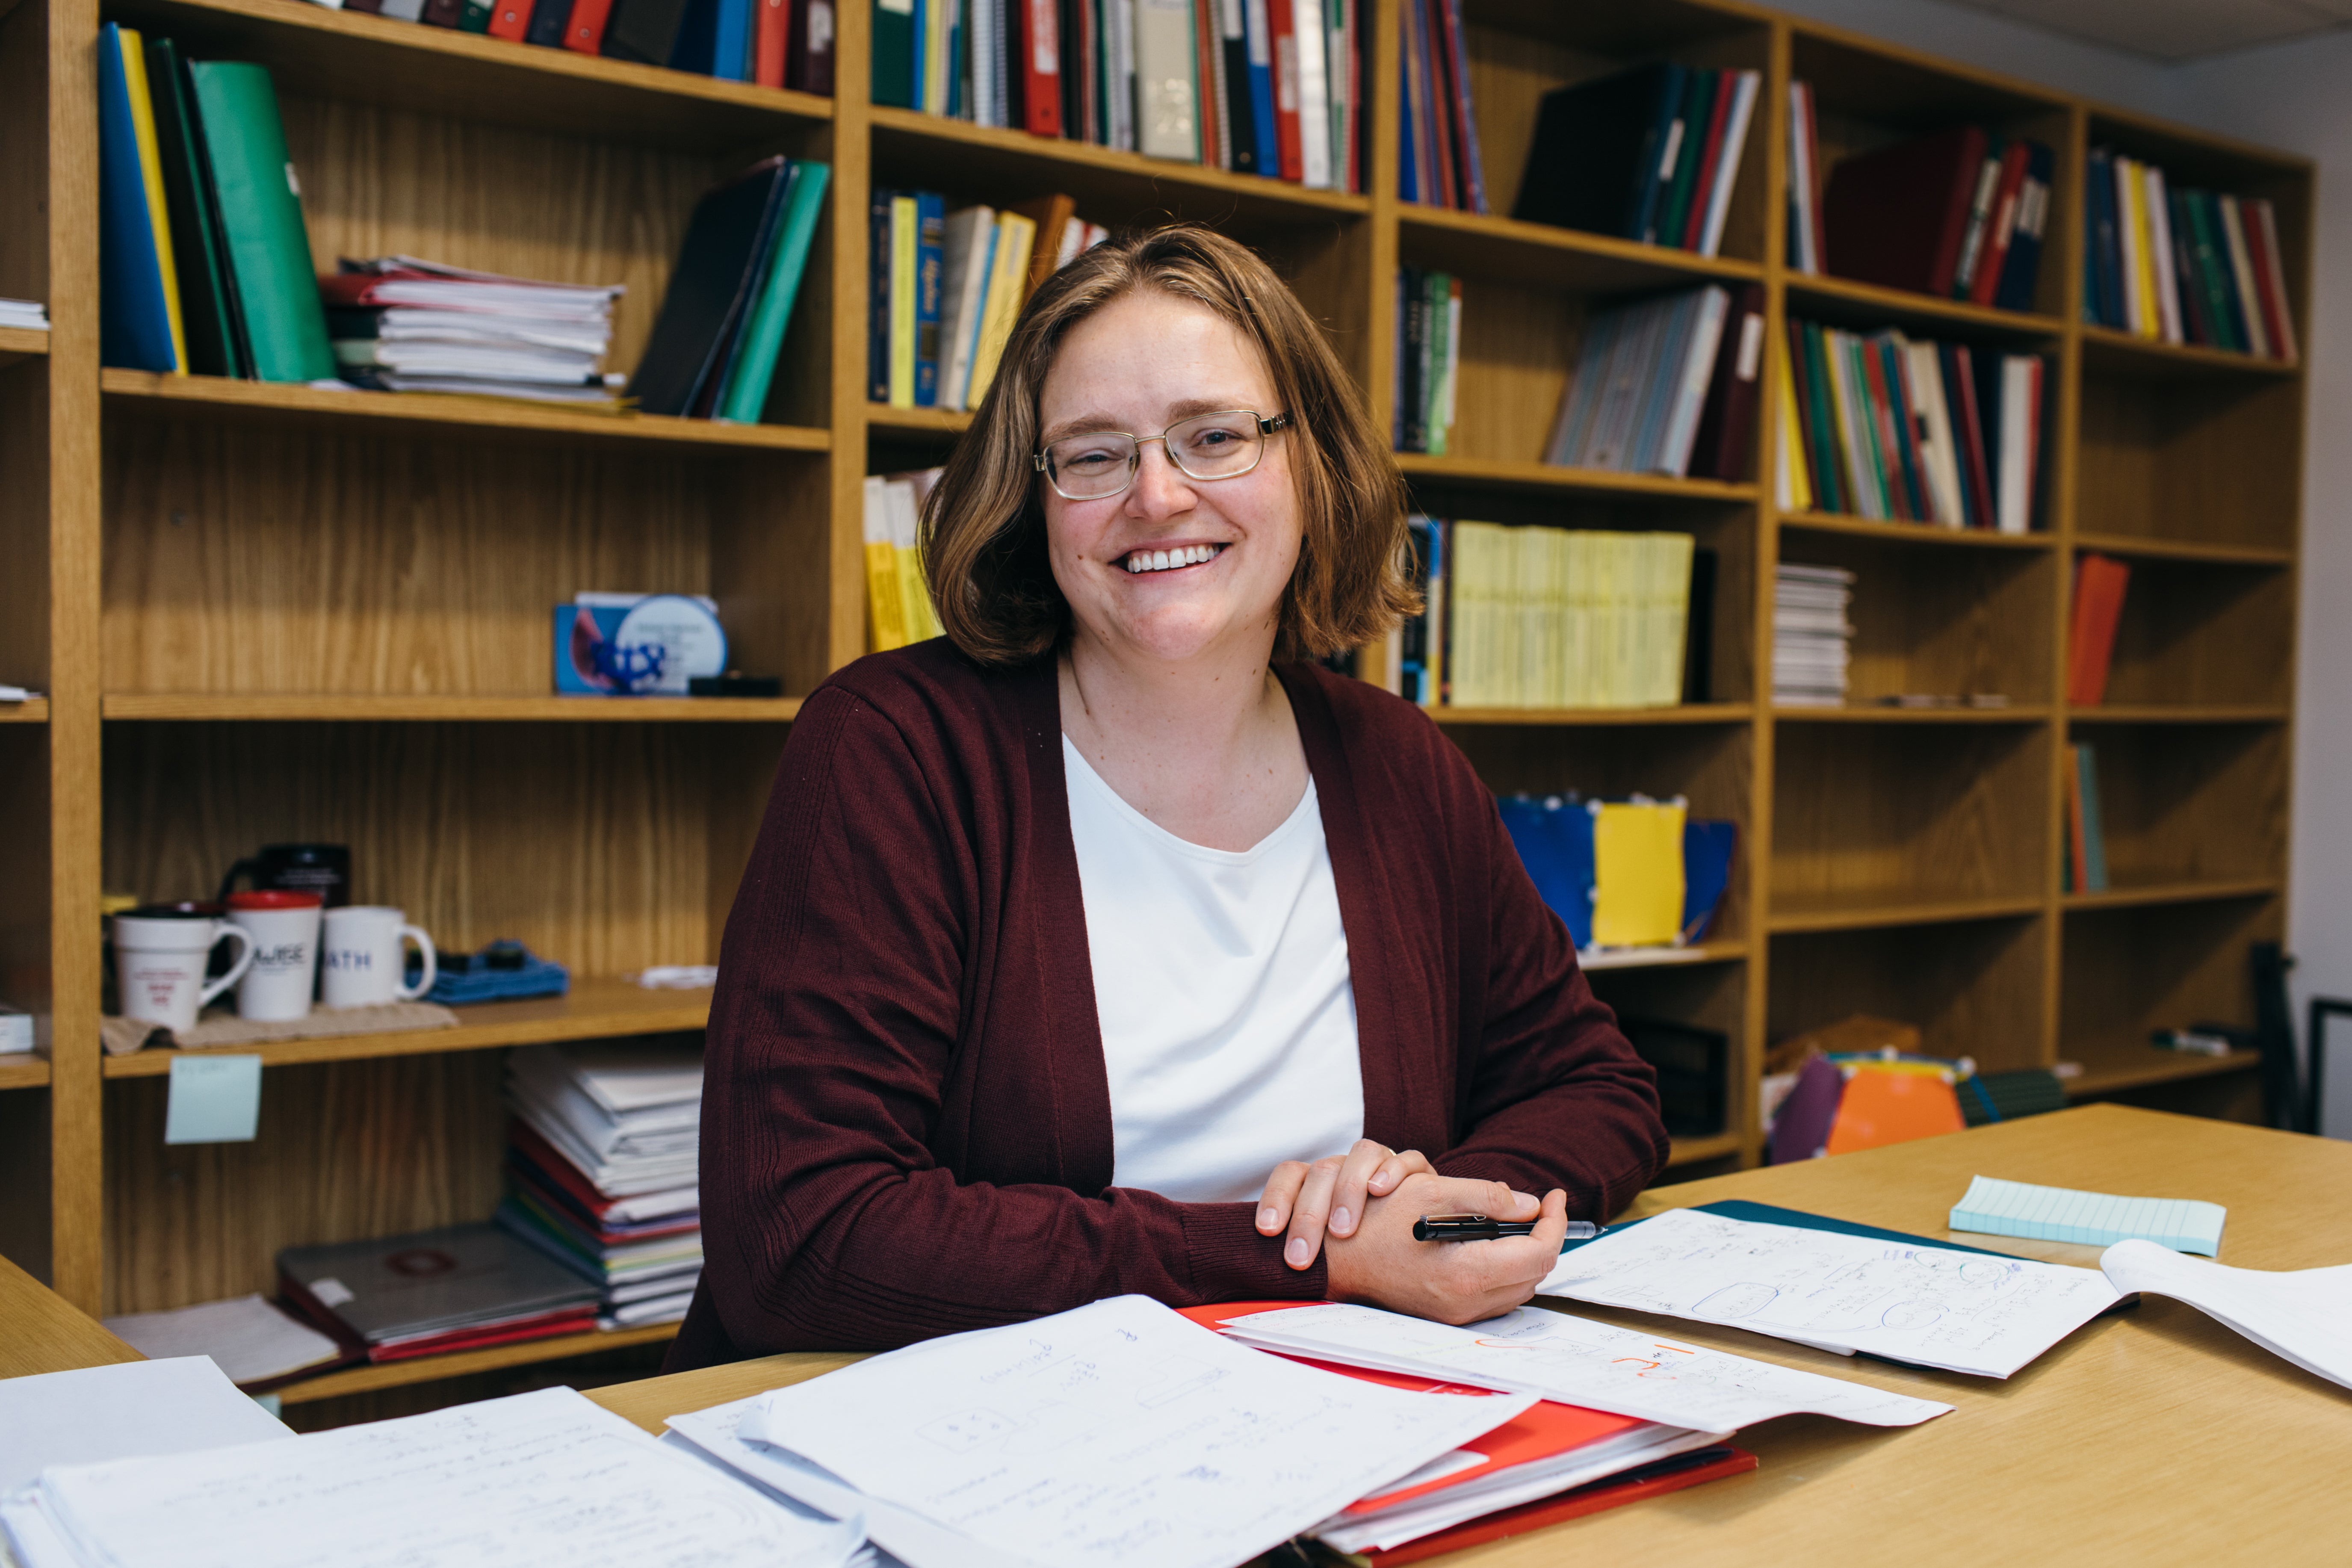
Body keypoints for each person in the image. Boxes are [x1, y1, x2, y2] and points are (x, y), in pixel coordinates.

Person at [669, 224, 1666, 1367]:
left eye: (1213, 436)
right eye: (1092, 454)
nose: (1156, 494)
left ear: (1310, 463)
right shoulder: (892, 749)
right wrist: (1315, 1254)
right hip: (954, 1456)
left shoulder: (1395, 761)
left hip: (1340, 1424)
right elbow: (802, 1240)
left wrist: (1430, 1206)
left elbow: (1596, 1086)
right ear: (1032, 498)